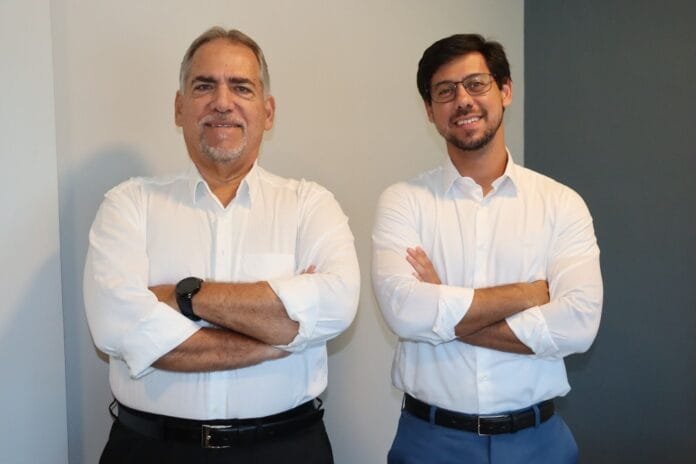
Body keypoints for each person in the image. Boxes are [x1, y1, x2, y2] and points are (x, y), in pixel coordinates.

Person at [83, 26, 359, 464]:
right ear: (179, 108)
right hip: (150, 451)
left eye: (241, 87)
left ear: (267, 111)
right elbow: (117, 328)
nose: (223, 102)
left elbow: (337, 305)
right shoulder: (128, 204)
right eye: (204, 86)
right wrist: (277, 338)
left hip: (285, 450)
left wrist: (183, 297)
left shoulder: (310, 204)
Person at [372, 34, 602, 463]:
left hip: (539, 442)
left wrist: (443, 306)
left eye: (476, 84)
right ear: (429, 110)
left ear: (505, 91)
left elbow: (578, 325)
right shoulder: (403, 202)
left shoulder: (561, 204)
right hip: (431, 441)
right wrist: (529, 294)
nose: (463, 100)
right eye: (445, 91)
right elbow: (405, 312)